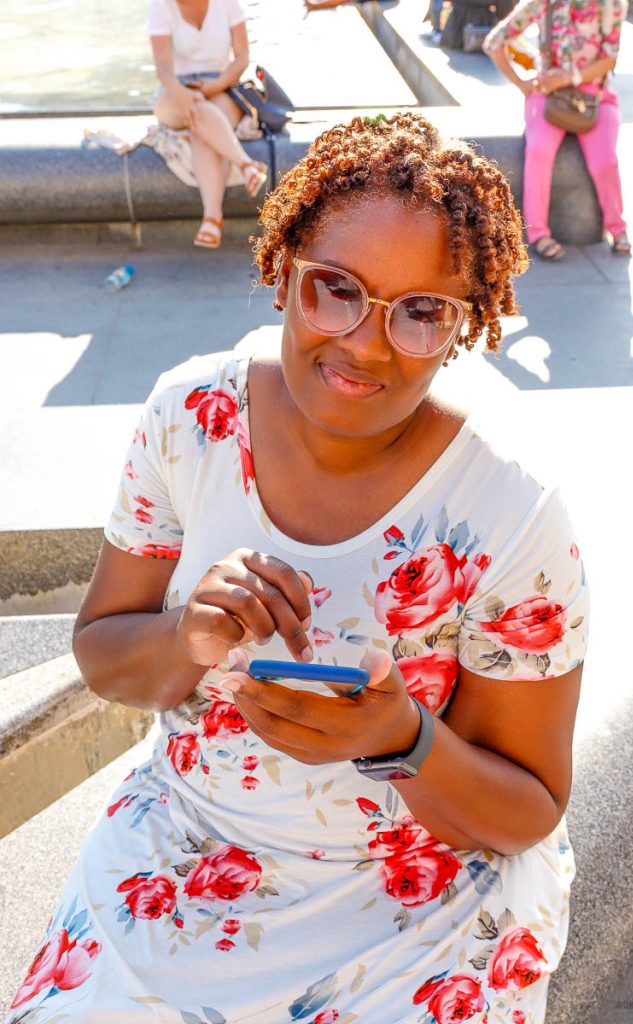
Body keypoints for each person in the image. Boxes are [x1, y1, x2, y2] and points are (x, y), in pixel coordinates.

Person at [5, 112, 589, 1024]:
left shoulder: (509, 511)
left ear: (463, 327)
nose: (365, 342)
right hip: (190, 842)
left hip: (420, 894)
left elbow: (527, 807)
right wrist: (185, 634)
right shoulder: (190, 418)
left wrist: (398, 737)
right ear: (281, 269)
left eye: (421, 312)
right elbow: (105, 654)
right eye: (335, 289)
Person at [483, 0, 631, 260]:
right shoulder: (542, 3)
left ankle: (617, 227)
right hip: (548, 95)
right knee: (539, 151)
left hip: (594, 97)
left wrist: (565, 78)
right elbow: (495, 43)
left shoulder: (613, 5)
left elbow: (609, 59)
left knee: (605, 161)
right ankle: (538, 233)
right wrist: (521, 83)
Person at [149, 0, 267, 249]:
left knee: (203, 126)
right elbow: (162, 66)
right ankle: (246, 164)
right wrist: (181, 93)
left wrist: (214, 86)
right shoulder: (161, 5)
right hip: (176, 89)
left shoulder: (227, 3)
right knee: (199, 114)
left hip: (222, 86)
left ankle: (212, 218)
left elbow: (242, 56)